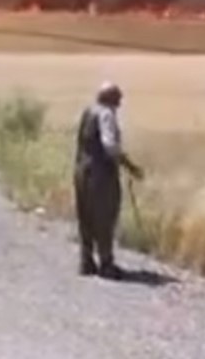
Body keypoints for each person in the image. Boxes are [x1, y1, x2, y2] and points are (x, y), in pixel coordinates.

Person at [74, 81, 143, 279]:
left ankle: (86, 261)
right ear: (109, 98)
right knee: (105, 216)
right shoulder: (106, 114)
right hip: (100, 175)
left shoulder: (88, 112)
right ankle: (106, 264)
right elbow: (110, 146)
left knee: (85, 217)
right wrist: (129, 166)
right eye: (118, 98)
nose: (120, 103)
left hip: (81, 171)